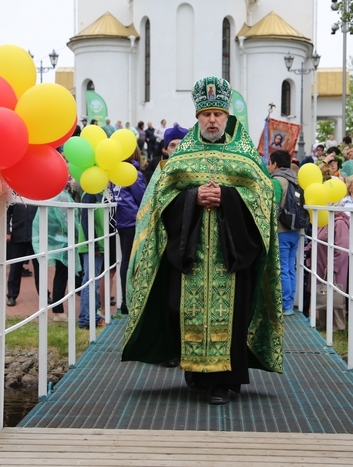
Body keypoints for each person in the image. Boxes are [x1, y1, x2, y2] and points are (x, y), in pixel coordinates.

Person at [122, 76, 283, 405]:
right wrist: (193, 197)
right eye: (206, 114)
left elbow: (264, 198)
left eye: (217, 114)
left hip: (231, 256)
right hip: (190, 254)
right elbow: (160, 201)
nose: (212, 120)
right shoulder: (181, 157)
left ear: (227, 117)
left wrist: (226, 197)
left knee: (230, 316)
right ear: (198, 117)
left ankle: (224, 381)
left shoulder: (246, 157)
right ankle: (195, 373)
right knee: (183, 310)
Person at [32, 188, 81, 322]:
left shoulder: (49, 194)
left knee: (61, 276)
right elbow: (67, 220)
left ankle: (58, 309)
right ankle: (58, 311)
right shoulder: (62, 197)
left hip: (54, 240)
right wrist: (78, 233)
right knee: (61, 276)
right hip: (63, 241)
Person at [111, 147, 146, 315]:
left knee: (125, 261)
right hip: (133, 220)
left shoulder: (114, 172)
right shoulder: (133, 173)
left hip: (120, 220)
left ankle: (125, 300)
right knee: (133, 261)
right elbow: (143, 197)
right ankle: (129, 300)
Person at [268, 149, 301, 316]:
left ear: (275, 164)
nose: (268, 166)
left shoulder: (277, 180)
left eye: (269, 163)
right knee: (290, 268)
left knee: (282, 268)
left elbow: (273, 206)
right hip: (295, 230)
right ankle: (290, 302)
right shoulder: (296, 179)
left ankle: (285, 305)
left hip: (281, 230)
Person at [77, 192, 106, 329]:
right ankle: (89, 318)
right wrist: (93, 244)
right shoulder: (90, 193)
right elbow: (86, 220)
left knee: (89, 281)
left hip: (98, 243)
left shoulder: (100, 193)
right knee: (91, 281)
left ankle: (85, 318)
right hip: (93, 244)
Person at [6, 204, 40, 307]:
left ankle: (43, 294)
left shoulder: (38, 194)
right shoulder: (15, 194)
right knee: (15, 266)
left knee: (39, 267)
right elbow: (7, 213)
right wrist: (7, 231)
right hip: (18, 233)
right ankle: (12, 295)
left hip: (36, 235)